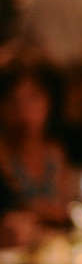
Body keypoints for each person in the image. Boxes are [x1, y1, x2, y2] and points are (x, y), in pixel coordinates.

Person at [0, 50, 74, 246]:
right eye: (12, 101)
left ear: (50, 100)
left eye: (33, 98)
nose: (23, 111)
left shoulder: (59, 150)